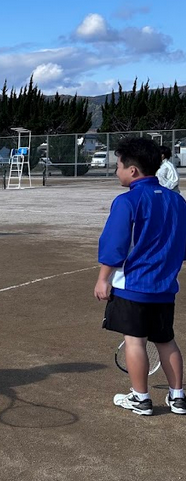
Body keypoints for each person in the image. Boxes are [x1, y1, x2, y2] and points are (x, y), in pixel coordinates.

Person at [95, 137, 186, 417]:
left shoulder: (127, 201)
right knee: (166, 340)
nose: (116, 172)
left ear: (132, 170)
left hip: (133, 286)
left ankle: (141, 398)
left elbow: (115, 244)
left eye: (118, 166)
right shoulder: (177, 201)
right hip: (165, 286)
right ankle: (178, 397)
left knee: (135, 341)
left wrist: (103, 279)